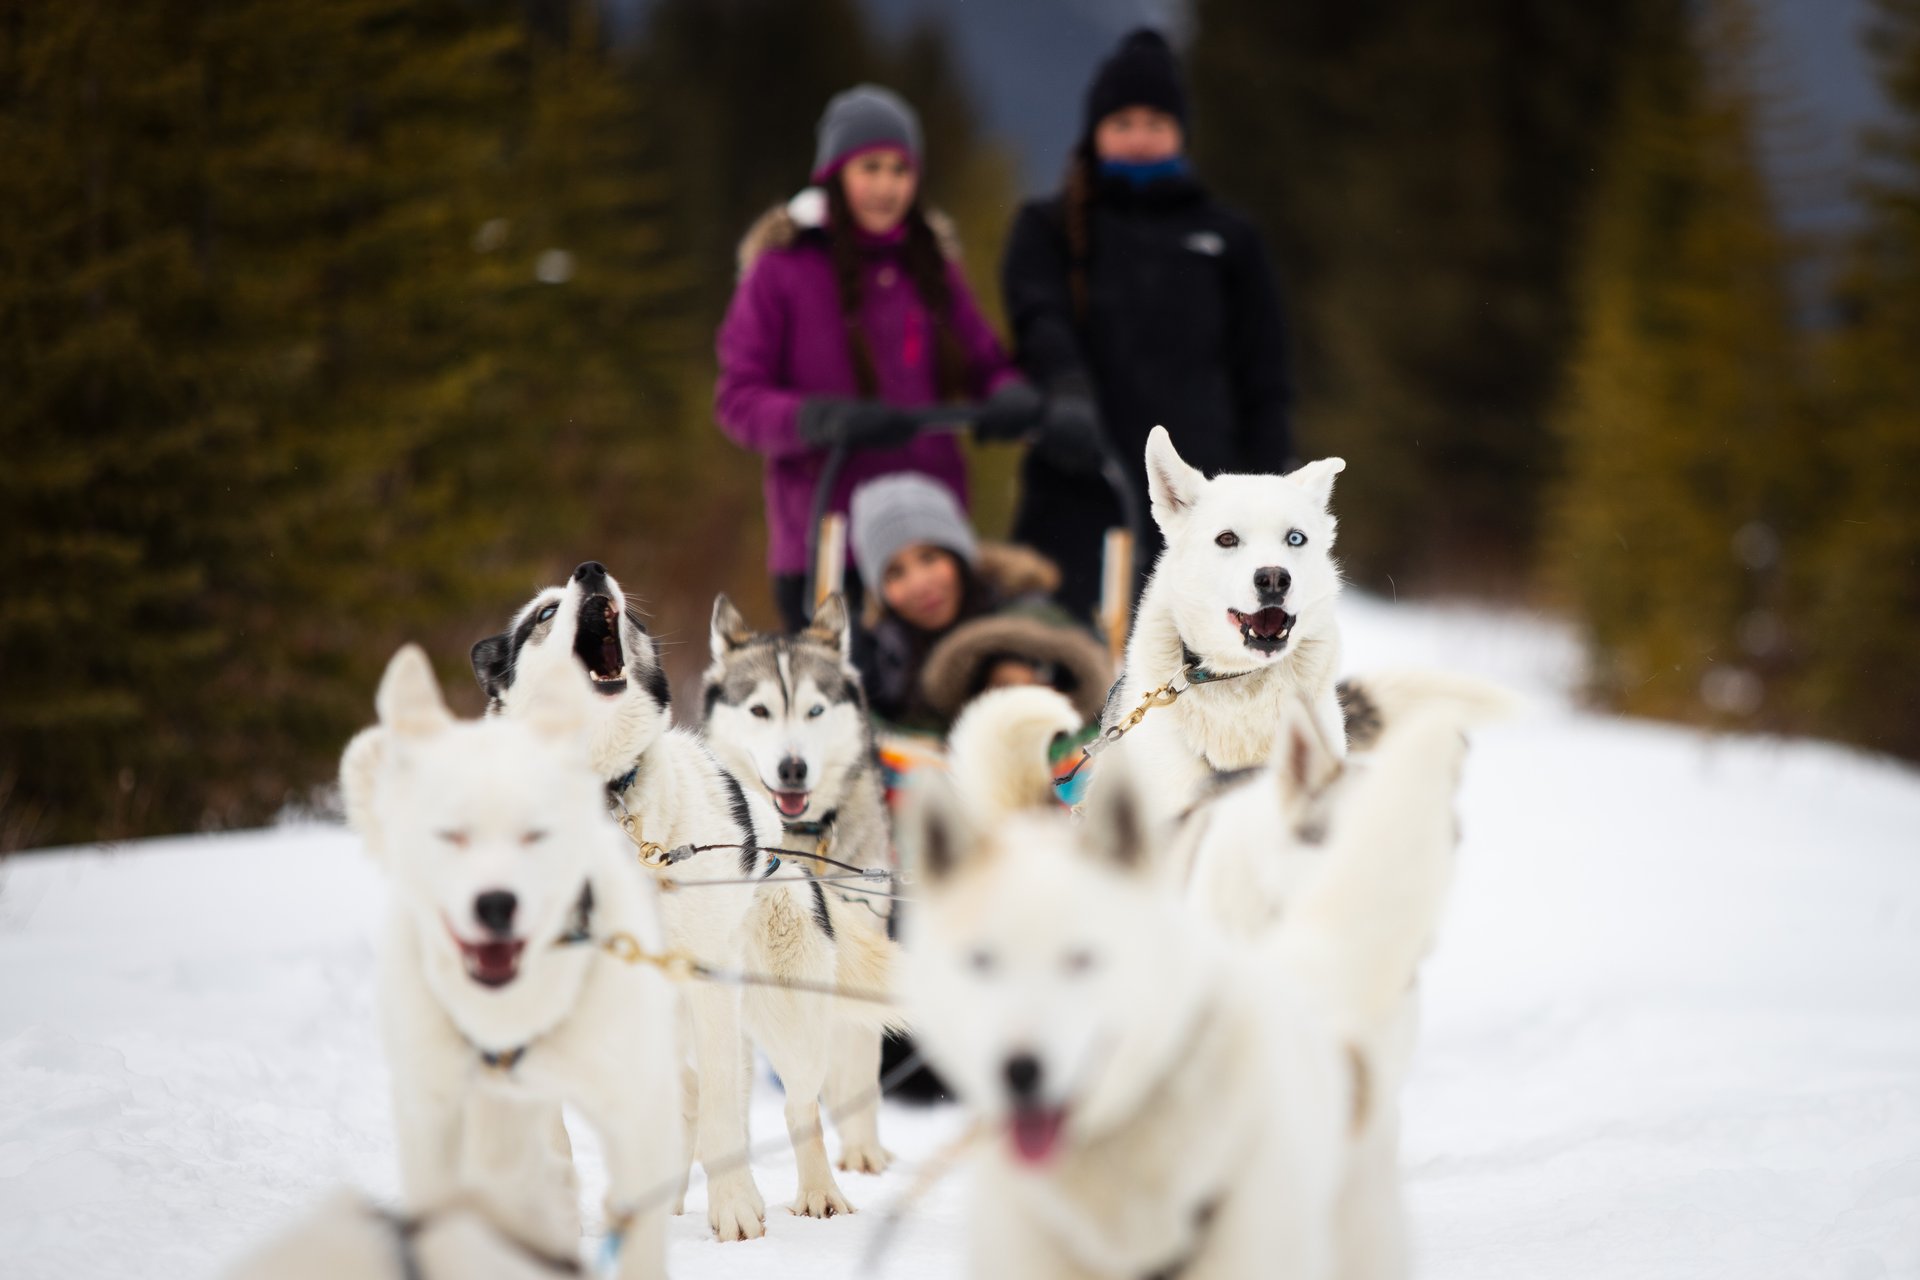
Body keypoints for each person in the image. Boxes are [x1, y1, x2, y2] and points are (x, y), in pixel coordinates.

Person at [715, 84, 1039, 632]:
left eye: (900, 169)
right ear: (836, 173)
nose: (887, 186)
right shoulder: (782, 269)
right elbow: (738, 399)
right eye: (871, 167)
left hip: (931, 552)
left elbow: (984, 359)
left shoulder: (930, 263)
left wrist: (1008, 394)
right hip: (827, 544)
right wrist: (815, 418)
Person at [1001, 28, 1295, 620]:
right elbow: (1038, 318)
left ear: (1181, 131)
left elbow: (1264, 372)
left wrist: (1271, 493)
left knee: (1199, 665)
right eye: (1123, 123)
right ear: (1095, 131)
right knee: (1059, 659)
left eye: (1156, 122)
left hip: (1207, 500)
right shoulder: (1048, 227)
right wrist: (1066, 388)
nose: (1139, 138)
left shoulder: (1228, 238)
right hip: (1077, 482)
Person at [848, 473, 1110, 737]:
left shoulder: (1024, 607)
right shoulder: (876, 660)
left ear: (958, 558)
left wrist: (1013, 662)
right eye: (895, 573)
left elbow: (1065, 654)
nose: (919, 583)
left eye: (929, 558)